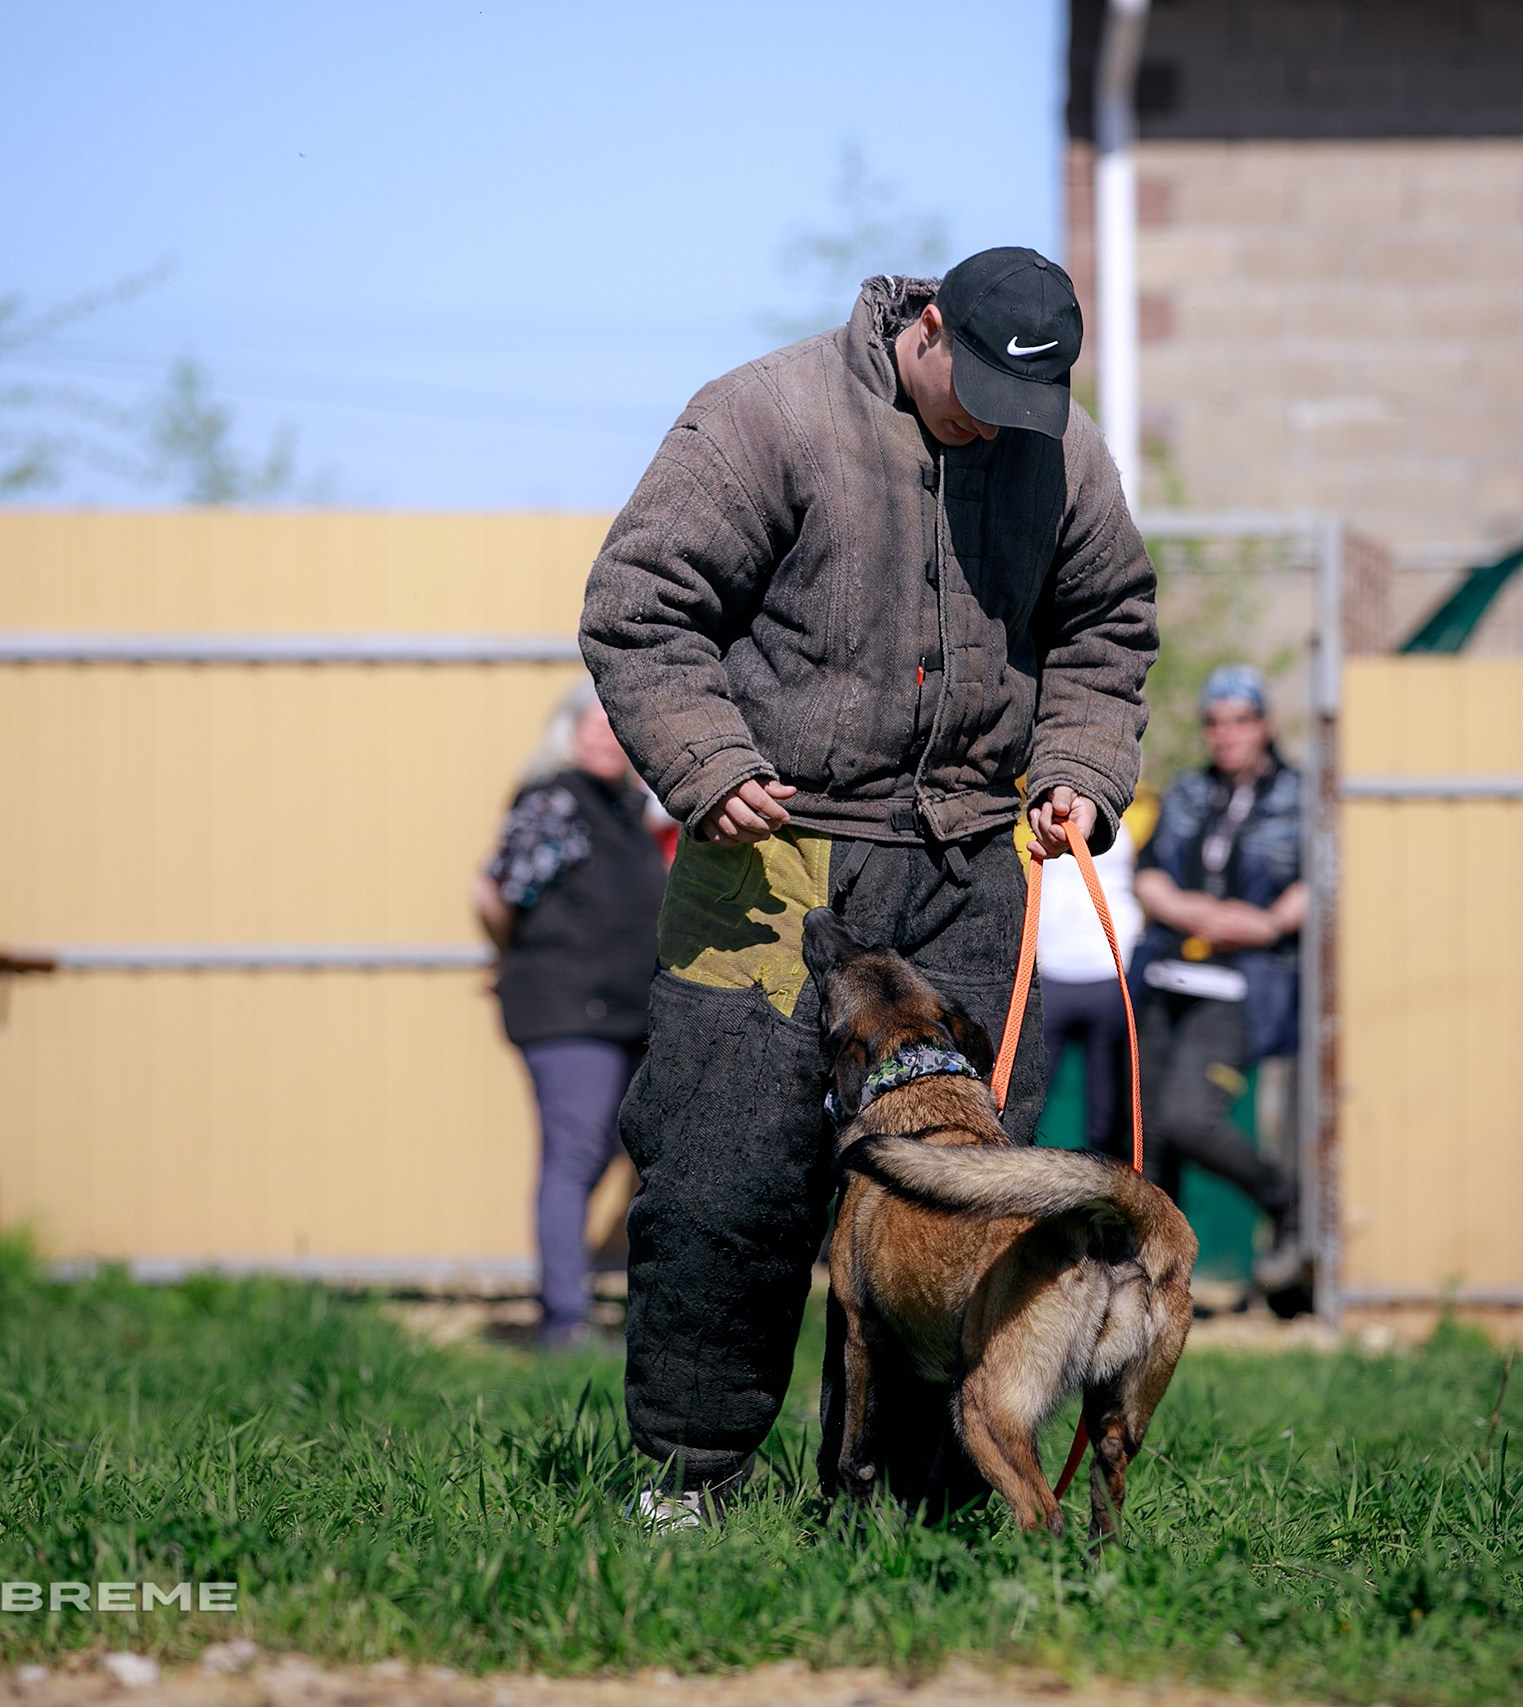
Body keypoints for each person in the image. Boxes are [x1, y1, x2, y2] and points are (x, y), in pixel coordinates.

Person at [580, 247, 1157, 1520]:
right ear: (930, 328)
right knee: (725, 1176)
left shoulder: (1067, 456)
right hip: (774, 847)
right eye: (979, 402)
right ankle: (690, 1485)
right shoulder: (765, 416)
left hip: (970, 867)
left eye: (1029, 414)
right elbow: (640, 604)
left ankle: (916, 1509)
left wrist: (1076, 768)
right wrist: (706, 759)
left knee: (962, 1201)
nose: (997, 432)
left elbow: (1106, 628)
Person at [473, 680, 668, 1352]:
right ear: (568, 732)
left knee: (618, 1145)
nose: (608, 738)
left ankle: (576, 1310)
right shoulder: (555, 798)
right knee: (576, 1152)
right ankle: (563, 1322)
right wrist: (510, 952)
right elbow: (497, 889)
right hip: (566, 1008)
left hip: (619, 1010)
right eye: (595, 726)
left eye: (619, 728)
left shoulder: (622, 807)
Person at [1129, 664, 1305, 1281]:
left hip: (1239, 986)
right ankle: (1157, 1278)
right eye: (1214, 721)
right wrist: (1192, 910)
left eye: (1240, 720)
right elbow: (1147, 874)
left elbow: (1310, 887)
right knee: (1148, 1140)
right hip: (1164, 979)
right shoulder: (1186, 793)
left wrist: (1258, 924)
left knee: (1189, 1118)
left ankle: (1286, 1202)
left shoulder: (1301, 797)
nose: (1226, 734)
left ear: (1264, 724)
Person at [1035, 792, 1150, 1160]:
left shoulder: (1144, 810)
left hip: (1110, 975)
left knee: (1107, 1112)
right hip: (1049, 973)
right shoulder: (1031, 808)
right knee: (1029, 1099)